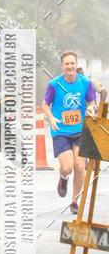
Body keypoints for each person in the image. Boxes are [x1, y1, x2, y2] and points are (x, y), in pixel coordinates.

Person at [42, 51, 96, 215]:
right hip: (61, 131)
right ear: (62, 66)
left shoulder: (85, 83)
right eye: (67, 64)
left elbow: (92, 101)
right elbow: (45, 104)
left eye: (72, 63)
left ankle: (74, 201)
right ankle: (63, 178)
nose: (70, 67)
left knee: (80, 166)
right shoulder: (54, 84)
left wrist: (91, 109)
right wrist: (51, 118)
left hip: (80, 131)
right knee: (67, 167)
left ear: (76, 64)